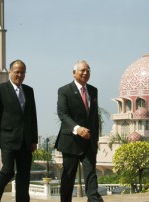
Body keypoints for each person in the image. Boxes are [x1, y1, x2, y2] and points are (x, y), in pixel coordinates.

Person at [0, 59, 38, 202]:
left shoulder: (29, 90)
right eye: (16, 72)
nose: (19, 75)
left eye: (22, 72)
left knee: (24, 175)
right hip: (8, 139)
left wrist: (34, 140)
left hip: (26, 141)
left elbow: (32, 117)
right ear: (10, 72)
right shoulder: (0, 89)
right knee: (8, 171)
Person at [55, 60, 103, 202]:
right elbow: (63, 114)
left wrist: (95, 138)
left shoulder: (93, 90)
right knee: (68, 177)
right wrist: (77, 129)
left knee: (91, 175)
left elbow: (94, 116)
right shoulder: (64, 91)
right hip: (71, 141)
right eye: (82, 70)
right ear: (74, 72)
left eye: (88, 70)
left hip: (89, 141)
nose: (85, 73)